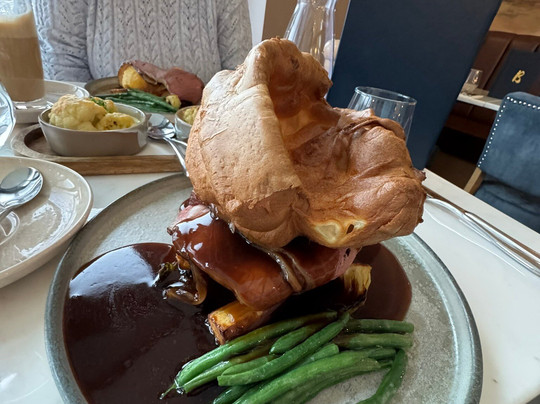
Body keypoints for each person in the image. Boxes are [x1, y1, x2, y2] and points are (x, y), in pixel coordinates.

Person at [31, 0, 252, 84]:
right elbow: (66, 82)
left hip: (201, 138)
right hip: (100, 144)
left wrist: (198, 94)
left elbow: (240, 78)